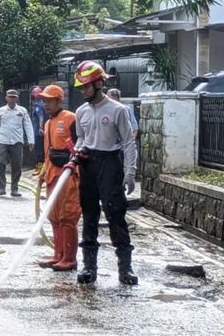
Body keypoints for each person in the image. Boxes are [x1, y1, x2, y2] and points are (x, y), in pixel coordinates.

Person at [73, 61, 138, 285]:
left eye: (86, 87)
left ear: (99, 84)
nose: (83, 92)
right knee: (89, 215)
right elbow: (81, 137)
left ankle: (125, 268)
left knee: (115, 214)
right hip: (88, 163)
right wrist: (78, 149)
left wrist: (130, 173)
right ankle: (89, 267)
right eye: (80, 88)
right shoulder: (80, 112)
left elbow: (129, 143)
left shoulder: (118, 110)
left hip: (111, 163)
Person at [36, 85, 81, 271]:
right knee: (54, 216)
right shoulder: (47, 123)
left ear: (58, 100)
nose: (45, 104)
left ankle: (69, 258)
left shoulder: (71, 118)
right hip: (52, 176)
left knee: (68, 216)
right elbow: (48, 152)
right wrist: (43, 172)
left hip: (69, 175)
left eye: (49, 100)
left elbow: (81, 145)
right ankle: (58, 254)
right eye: (44, 100)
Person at [0, 89, 34, 197]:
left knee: (17, 165)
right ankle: (1, 188)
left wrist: (31, 140)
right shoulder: (1, 111)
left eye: (14, 97)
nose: (12, 99)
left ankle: (14, 189)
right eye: (10, 97)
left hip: (17, 141)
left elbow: (28, 125)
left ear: (17, 98)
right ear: (6, 98)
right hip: (3, 140)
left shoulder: (22, 111)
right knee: (0, 163)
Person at [31, 86, 47, 175]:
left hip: (38, 132)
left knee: (39, 149)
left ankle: (39, 169)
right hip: (43, 131)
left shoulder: (38, 105)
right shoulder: (43, 103)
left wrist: (40, 128)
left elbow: (41, 116)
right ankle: (42, 168)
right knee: (42, 149)